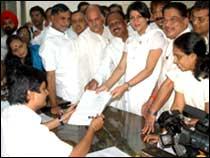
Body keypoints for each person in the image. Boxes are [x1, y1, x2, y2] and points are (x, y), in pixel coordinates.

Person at [1, 65, 104, 156]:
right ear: (30, 94)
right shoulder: (34, 133)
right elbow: (75, 155)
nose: (47, 93)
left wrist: (61, 120)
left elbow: (32, 131)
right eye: (43, 89)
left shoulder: (8, 113)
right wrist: (92, 129)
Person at [96, 1, 166, 115]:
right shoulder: (130, 40)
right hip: (129, 94)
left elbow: (149, 69)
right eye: (132, 18)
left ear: (147, 18)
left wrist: (126, 85)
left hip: (146, 93)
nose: (135, 21)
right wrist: (105, 86)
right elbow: (121, 68)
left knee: (144, 128)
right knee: (131, 127)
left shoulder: (156, 36)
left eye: (139, 17)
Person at [142, 2, 191, 134]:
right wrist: (151, 100)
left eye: (173, 20)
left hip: (179, 111)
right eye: (165, 20)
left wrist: (152, 111)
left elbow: (169, 82)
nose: (167, 25)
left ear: (186, 20)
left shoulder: (188, 45)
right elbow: (162, 76)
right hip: (163, 107)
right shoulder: (171, 40)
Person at [39, 4, 80, 115]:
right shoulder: (49, 43)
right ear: (52, 18)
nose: (66, 23)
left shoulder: (69, 35)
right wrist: (54, 105)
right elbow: (50, 76)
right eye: (62, 18)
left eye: (68, 19)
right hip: (66, 96)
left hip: (80, 92)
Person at [85, 11, 128, 110]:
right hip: (121, 93)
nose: (115, 26)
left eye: (117, 22)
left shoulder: (138, 39)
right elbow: (104, 67)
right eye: (111, 25)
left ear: (125, 22)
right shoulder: (111, 47)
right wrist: (95, 80)